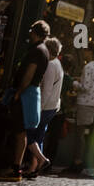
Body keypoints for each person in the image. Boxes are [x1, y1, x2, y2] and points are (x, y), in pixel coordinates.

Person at [0, 20, 51, 182]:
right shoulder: (44, 50)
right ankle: (20, 165)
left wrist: (19, 92)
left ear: (34, 33)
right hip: (31, 93)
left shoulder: (37, 51)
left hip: (26, 94)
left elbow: (29, 73)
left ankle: (18, 167)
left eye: (31, 31)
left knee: (20, 131)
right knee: (22, 131)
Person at [66, 41, 94, 176]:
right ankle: (80, 161)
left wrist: (73, 82)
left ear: (90, 52)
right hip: (92, 103)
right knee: (83, 134)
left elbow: (85, 87)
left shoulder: (88, 67)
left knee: (79, 134)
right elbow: (93, 84)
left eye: (85, 50)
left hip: (84, 103)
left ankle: (77, 162)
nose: (83, 53)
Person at [27, 35, 63, 177]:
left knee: (30, 134)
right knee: (39, 136)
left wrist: (38, 109)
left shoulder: (50, 65)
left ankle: (39, 161)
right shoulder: (58, 64)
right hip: (53, 106)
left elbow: (46, 90)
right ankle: (34, 167)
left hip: (46, 107)